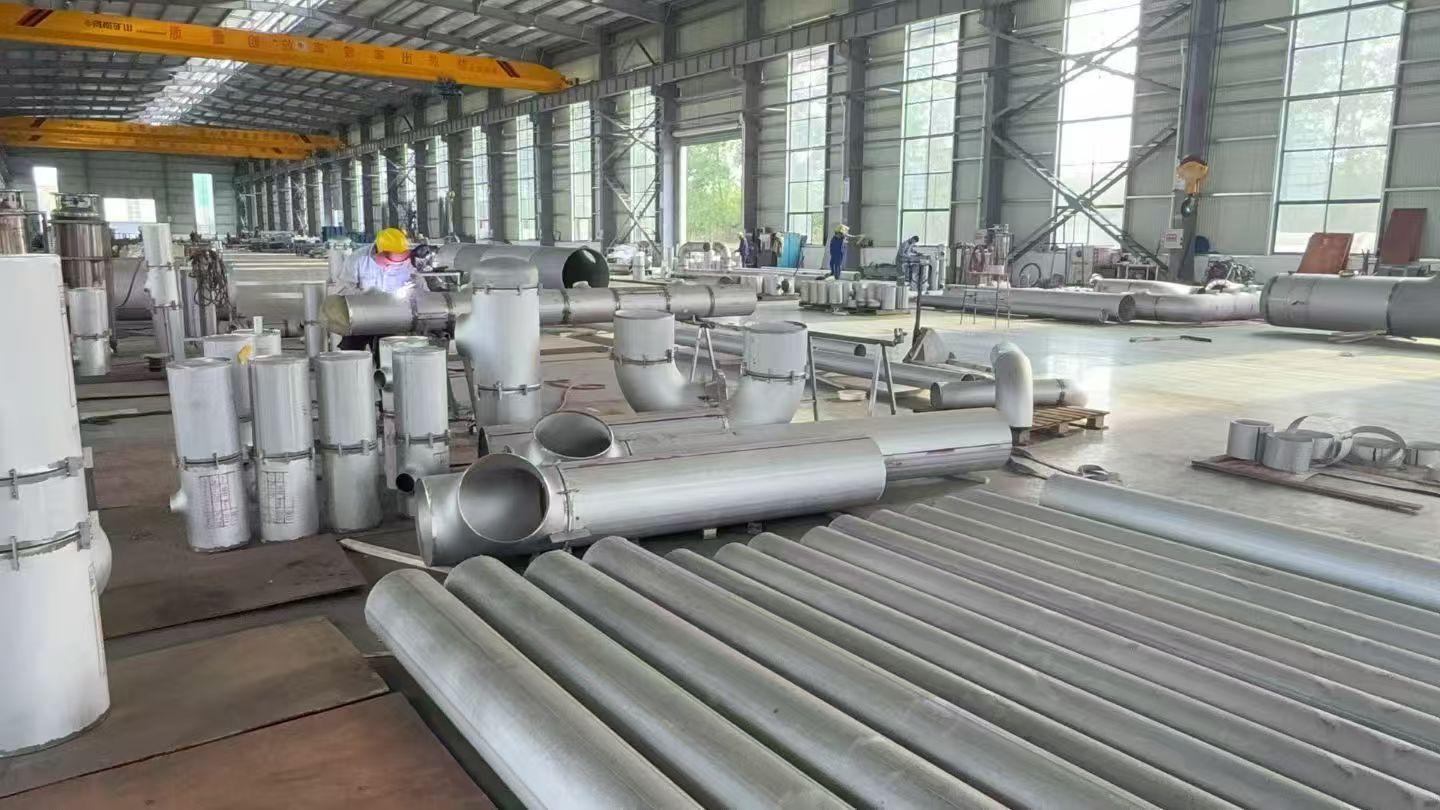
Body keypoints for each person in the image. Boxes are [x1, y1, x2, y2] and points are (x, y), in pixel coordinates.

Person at [335, 228, 416, 351]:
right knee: (351, 349)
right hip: (361, 316)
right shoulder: (358, 259)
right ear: (378, 251)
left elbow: (419, 285)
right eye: (390, 260)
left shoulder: (408, 261)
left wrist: (412, 290)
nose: (392, 265)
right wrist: (368, 296)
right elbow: (342, 290)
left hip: (392, 317)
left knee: (388, 352)